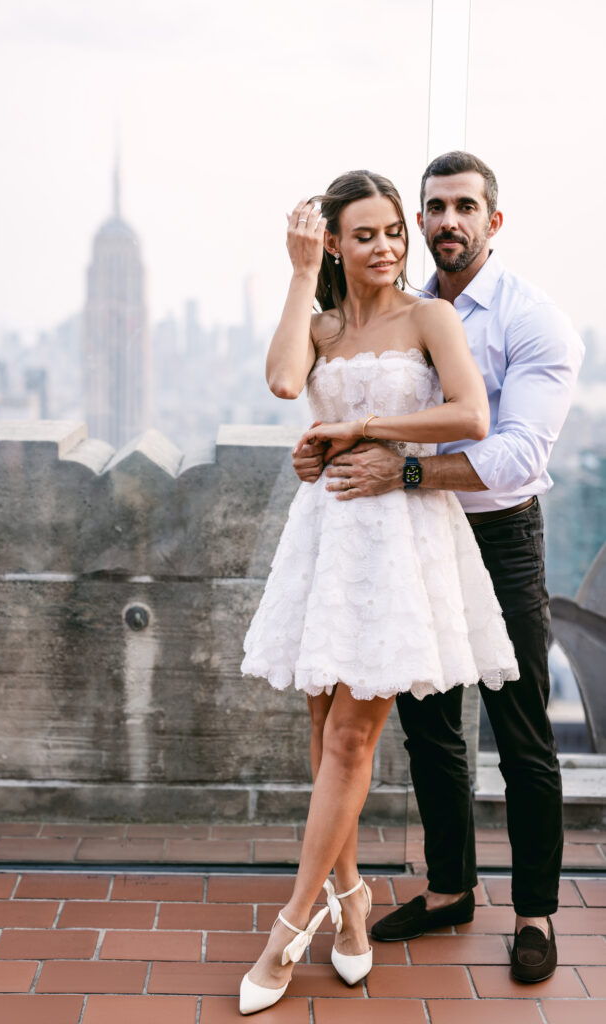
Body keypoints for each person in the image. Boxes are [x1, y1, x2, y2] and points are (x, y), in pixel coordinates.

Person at [292, 152, 585, 984]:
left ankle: (533, 912)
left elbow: (517, 452)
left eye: (464, 206)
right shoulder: (402, 307)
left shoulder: (535, 322)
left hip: (497, 535)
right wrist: (326, 451)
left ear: (494, 221)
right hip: (412, 533)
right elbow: (335, 396)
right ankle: (451, 887)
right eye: (434, 207)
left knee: (519, 723)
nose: (446, 220)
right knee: (429, 725)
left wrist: (405, 469)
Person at [239, 169, 518, 1015]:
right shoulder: (320, 325)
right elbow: (287, 383)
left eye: (394, 230)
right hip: (327, 537)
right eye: (364, 233)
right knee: (326, 733)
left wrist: (364, 427)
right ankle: (351, 908)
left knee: (353, 741)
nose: (389, 245)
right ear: (332, 242)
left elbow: (470, 415)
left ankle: (288, 929)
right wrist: (294, 275)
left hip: (400, 540)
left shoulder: (428, 315)